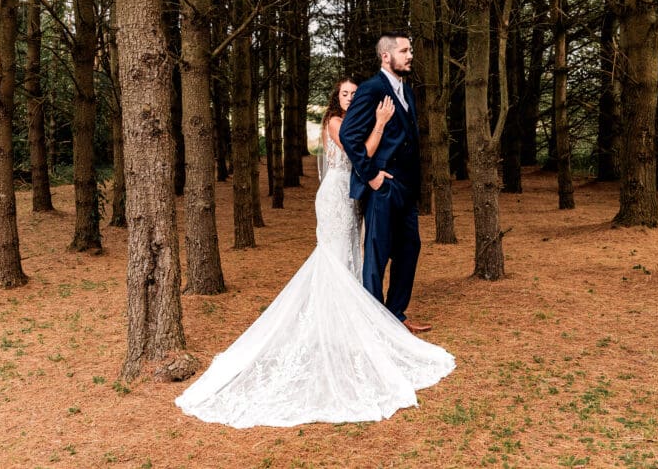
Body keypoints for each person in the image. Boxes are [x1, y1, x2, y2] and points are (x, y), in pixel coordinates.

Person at [175, 79, 454, 429]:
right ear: (336, 100)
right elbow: (359, 155)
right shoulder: (336, 124)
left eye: (356, 93)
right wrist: (380, 125)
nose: (351, 98)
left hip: (352, 201)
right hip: (335, 198)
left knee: (350, 260)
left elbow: (373, 156)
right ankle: (329, 329)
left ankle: (346, 330)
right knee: (334, 261)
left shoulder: (356, 122)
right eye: (345, 94)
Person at [339, 32, 430, 334]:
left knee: (409, 248)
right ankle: (374, 322)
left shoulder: (407, 90)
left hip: (407, 188)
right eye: (404, 51)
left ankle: (397, 315)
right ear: (386, 56)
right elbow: (349, 136)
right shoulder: (371, 89)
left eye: (410, 50)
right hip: (383, 187)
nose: (410, 55)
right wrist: (372, 175)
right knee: (377, 254)